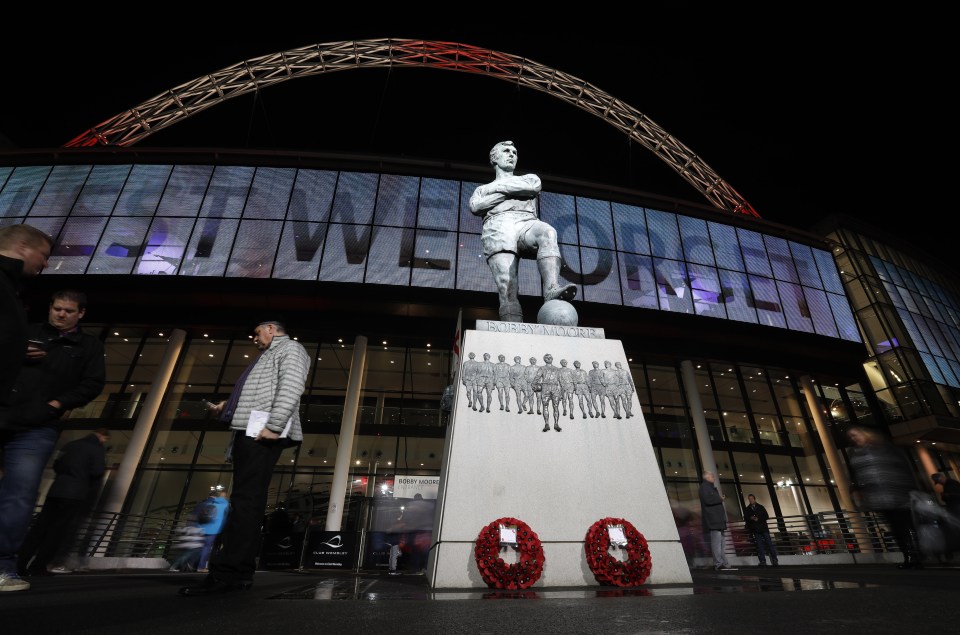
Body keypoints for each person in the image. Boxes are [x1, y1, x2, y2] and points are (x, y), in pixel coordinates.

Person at [178, 319, 310, 596]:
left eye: (257, 332)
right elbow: (263, 393)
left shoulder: (291, 349)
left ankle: (229, 574)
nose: (254, 337)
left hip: (261, 432)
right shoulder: (269, 356)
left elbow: (292, 386)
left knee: (245, 503)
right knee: (245, 502)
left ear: (272, 329)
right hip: (251, 430)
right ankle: (236, 574)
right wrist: (229, 405)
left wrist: (274, 425)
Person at [0, 289, 105, 593]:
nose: (61, 314)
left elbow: (92, 383)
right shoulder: (26, 332)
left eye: (68, 311)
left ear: (80, 314)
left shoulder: (88, 346)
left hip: (39, 424)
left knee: (19, 494)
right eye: (57, 308)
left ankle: (4, 566)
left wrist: (58, 404)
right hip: (6, 411)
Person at [468, 140, 577, 323]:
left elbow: (533, 187)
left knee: (548, 233)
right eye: (506, 151)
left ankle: (551, 288)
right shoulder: (481, 189)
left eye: (515, 152)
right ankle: (512, 328)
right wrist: (511, 191)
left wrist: (499, 189)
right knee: (507, 287)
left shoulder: (529, 177)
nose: (512, 154)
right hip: (498, 227)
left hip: (526, 221)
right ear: (494, 158)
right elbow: (476, 207)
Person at [17, 428, 109, 577]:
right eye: (105, 438)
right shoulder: (97, 448)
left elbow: (57, 465)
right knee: (58, 531)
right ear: (103, 436)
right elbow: (97, 471)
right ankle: (39, 566)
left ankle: (20, 563)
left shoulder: (71, 445)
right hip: (75, 493)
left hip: (56, 489)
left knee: (39, 528)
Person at [847, 425, 922, 569]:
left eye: (855, 434)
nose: (854, 438)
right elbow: (855, 475)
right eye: (851, 436)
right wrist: (856, 490)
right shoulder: (855, 453)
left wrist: (911, 489)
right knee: (895, 527)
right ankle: (908, 555)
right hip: (878, 497)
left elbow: (904, 469)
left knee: (904, 525)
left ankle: (914, 555)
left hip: (897, 493)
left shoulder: (886, 449)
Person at [0, 224, 53, 415]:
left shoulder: (12, 286)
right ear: (23, 246)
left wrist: (17, 347)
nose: (46, 264)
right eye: (44, 255)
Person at [699, 470, 735, 571]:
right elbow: (708, 500)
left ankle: (724, 563)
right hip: (714, 520)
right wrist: (720, 499)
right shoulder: (704, 487)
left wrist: (719, 499)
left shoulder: (709, 487)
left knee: (721, 544)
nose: (714, 477)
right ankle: (719, 564)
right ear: (707, 477)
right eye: (712, 476)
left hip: (717, 520)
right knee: (717, 543)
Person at [195, 486, 230, 572]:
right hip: (217, 530)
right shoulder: (226, 504)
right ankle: (204, 567)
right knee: (214, 549)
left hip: (205, 528)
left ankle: (197, 565)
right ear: (224, 496)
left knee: (204, 548)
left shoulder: (211, 503)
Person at [743, 494, 779, 567]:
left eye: (752, 499)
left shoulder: (760, 507)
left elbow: (766, 516)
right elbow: (746, 518)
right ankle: (763, 561)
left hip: (763, 529)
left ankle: (774, 560)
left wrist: (758, 519)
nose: (751, 500)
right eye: (749, 499)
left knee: (769, 544)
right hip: (756, 530)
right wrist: (751, 518)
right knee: (760, 546)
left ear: (754, 499)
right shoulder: (748, 509)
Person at [532, 353, 563, 433]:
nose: (548, 358)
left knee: (556, 406)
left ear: (552, 358)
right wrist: (534, 384)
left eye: (550, 357)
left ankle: (556, 423)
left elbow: (561, 381)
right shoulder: (542, 368)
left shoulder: (557, 369)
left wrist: (562, 392)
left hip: (555, 387)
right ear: (544, 359)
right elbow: (537, 377)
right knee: (545, 406)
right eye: (546, 357)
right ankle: (546, 424)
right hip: (545, 387)